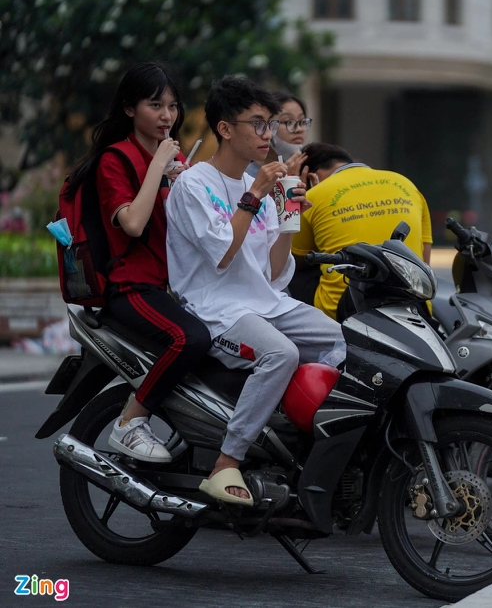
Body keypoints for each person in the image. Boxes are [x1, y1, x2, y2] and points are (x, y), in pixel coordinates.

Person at [165, 76, 346, 506]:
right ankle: (227, 462)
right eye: (259, 124)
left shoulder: (262, 193)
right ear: (225, 129)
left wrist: (289, 215)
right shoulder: (195, 185)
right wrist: (256, 192)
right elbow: (223, 257)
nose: (269, 135)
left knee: (342, 339)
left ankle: (294, 440)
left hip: (263, 302)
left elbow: (274, 274)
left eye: (271, 125)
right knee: (279, 353)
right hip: (216, 309)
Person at [63, 62, 211, 462]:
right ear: (130, 109)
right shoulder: (117, 159)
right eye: (155, 105)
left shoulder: (172, 164)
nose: (167, 116)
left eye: (173, 106)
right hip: (131, 286)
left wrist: (182, 185)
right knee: (191, 338)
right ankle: (131, 420)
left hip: (173, 286)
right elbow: (131, 223)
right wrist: (160, 169)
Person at [290, 143, 432, 320]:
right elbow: (424, 260)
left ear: (310, 177)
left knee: (293, 267)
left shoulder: (314, 195)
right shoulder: (406, 183)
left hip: (344, 312)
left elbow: (294, 260)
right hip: (416, 304)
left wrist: (292, 194)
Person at [244, 91, 310, 184]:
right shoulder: (247, 176)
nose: (299, 129)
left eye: (302, 121)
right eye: (288, 122)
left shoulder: (311, 169)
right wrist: (285, 182)